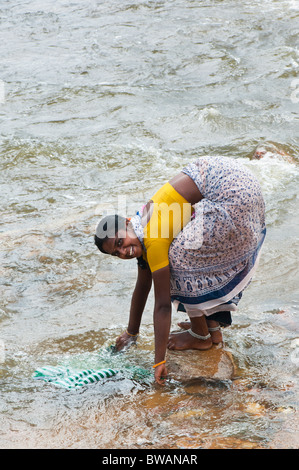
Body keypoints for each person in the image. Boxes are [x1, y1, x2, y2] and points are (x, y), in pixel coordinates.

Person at [94, 156, 266, 385]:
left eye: (119, 243)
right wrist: (131, 334)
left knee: (174, 260)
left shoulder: (153, 240)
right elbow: (142, 285)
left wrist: (158, 362)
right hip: (239, 183)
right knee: (184, 250)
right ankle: (211, 327)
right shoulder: (142, 222)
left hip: (232, 196)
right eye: (116, 253)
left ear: (126, 223)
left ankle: (200, 335)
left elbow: (162, 305)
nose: (123, 252)